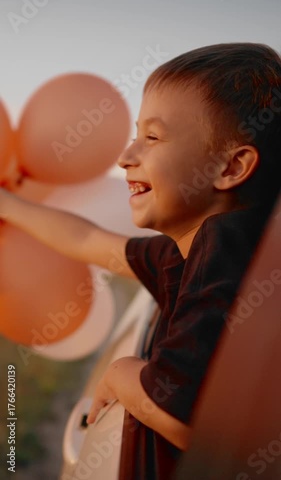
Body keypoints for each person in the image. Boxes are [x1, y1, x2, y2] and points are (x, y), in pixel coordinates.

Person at [0, 42, 281, 480]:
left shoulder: (222, 247)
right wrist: (8, 204)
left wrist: (120, 375)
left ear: (230, 167)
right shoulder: (184, 254)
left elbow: (193, 420)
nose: (125, 156)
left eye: (151, 137)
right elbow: (87, 238)